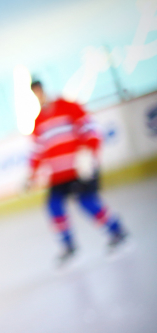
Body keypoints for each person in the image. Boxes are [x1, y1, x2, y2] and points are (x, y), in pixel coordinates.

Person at [28, 80, 127, 263]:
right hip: (58, 176)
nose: (39, 95)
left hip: (79, 170)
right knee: (54, 206)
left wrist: (89, 155)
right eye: (35, 93)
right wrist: (31, 174)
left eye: (40, 91)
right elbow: (37, 152)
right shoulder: (39, 121)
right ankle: (69, 246)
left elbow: (91, 130)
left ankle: (117, 231)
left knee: (87, 202)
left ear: (45, 89)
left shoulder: (68, 107)